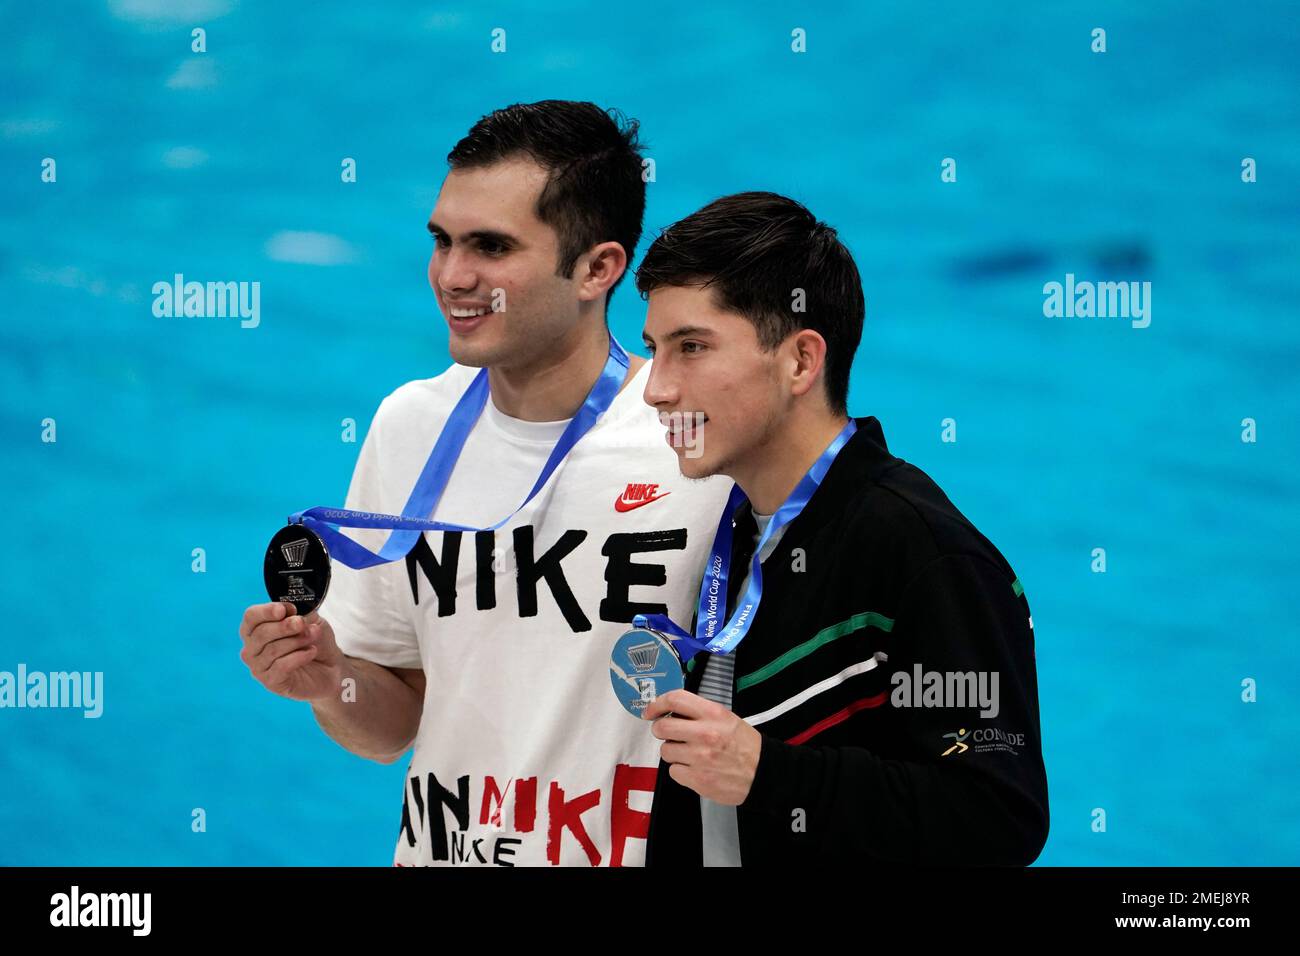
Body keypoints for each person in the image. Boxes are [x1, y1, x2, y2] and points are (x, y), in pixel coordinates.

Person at [237, 101, 732, 867]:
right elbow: (388, 725)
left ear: (599, 269)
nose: (452, 276)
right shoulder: (409, 426)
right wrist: (328, 679)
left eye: (491, 247)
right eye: (442, 240)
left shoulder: (696, 445)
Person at [635, 191, 1049, 865]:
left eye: (692, 347)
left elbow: (999, 814)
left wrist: (771, 775)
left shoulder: (924, 554)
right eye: (656, 348)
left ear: (800, 360)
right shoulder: (731, 529)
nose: (656, 387)